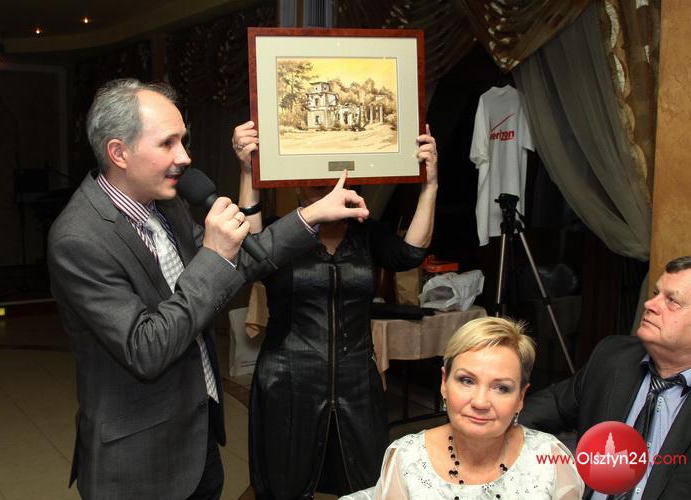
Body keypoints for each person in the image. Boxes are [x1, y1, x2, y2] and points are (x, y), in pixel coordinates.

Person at [47, 79, 369, 500]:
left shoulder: (166, 203)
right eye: (167, 143)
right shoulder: (79, 238)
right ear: (119, 153)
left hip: (197, 440)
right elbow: (147, 348)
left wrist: (312, 215)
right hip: (138, 463)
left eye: (183, 140)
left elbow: (243, 260)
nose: (185, 157)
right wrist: (214, 254)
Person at [231, 120, 438, 498]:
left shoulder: (365, 232)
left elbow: (410, 254)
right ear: (294, 183)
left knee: (367, 483)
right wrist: (249, 171)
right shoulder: (281, 232)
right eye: (310, 177)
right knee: (284, 485)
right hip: (287, 382)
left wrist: (430, 184)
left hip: (357, 380)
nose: (321, 183)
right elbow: (252, 257)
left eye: (328, 176)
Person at [343, 316, 584, 499]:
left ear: (520, 397)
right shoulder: (406, 457)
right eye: (467, 381)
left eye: (501, 388)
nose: (480, 402)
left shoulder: (551, 458)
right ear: (444, 383)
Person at [520, 255, 691, 500]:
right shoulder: (614, 358)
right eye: (656, 293)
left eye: (671, 301)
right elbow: (550, 407)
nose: (650, 304)